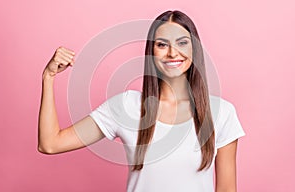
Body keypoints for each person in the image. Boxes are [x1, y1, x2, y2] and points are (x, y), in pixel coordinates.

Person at [38, 10, 245, 192]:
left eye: (182, 43)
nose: (173, 53)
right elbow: (50, 144)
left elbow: (227, 188)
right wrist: (48, 77)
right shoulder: (126, 106)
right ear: (151, 52)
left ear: (195, 50)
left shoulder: (221, 113)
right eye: (162, 44)